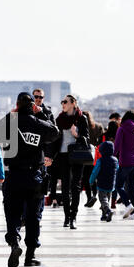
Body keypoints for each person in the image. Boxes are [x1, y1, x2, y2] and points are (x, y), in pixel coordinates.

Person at [0, 92, 59, 267]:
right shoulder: (37, 122)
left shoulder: (12, 121)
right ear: (32, 106)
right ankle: (30, 255)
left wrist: (12, 114)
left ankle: (14, 242)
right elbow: (54, 132)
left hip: (14, 175)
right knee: (33, 216)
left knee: (12, 212)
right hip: (34, 175)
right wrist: (41, 114)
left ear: (17, 105)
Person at [52, 95, 89, 229]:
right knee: (65, 187)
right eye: (62, 102)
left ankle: (74, 216)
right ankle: (67, 216)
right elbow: (54, 140)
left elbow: (87, 139)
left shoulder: (81, 118)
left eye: (65, 102)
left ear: (73, 103)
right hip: (63, 156)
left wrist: (77, 135)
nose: (63, 104)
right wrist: (50, 156)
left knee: (75, 187)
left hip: (77, 155)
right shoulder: (59, 119)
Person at [114, 110, 134, 220]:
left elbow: (116, 146)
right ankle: (133, 214)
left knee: (118, 185)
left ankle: (128, 204)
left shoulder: (121, 129)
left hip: (126, 161)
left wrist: (112, 156)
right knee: (132, 187)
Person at [89, 141, 118, 222]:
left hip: (102, 183)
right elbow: (117, 169)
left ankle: (108, 211)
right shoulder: (115, 160)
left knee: (103, 199)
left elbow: (95, 171)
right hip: (111, 184)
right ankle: (104, 215)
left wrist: (91, 180)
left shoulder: (100, 160)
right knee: (107, 198)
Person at [81, 111, 103, 208]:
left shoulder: (82, 127)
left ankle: (89, 197)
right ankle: (94, 195)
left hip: (84, 154)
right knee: (93, 177)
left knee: (85, 178)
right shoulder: (97, 127)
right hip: (95, 154)